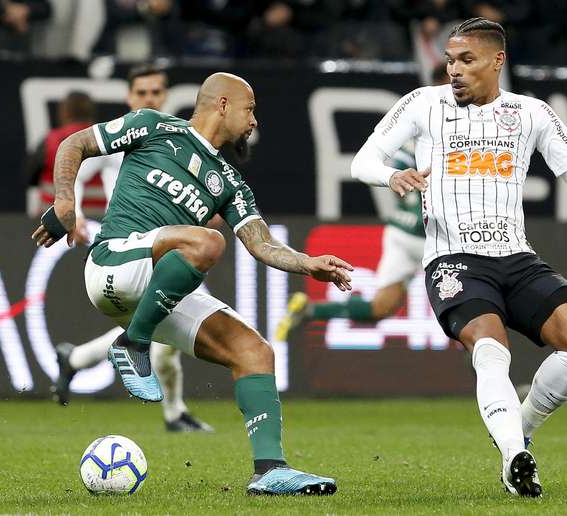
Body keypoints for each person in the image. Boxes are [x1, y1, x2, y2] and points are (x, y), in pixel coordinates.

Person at [350, 17, 567, 497]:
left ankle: (519, 432)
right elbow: (363, 160)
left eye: (466, 60)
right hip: (453, 258)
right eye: (450, 60)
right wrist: (389, 176)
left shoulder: (531, 113)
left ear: (497, 60)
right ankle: (515, 457)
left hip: (516, 257)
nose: (453, 70)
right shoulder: (422, 104)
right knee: (491, 348)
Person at [32, 72, 352, 495]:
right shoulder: (153, 125)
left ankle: (270, 469)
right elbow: (76, 144)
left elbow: (261, 244)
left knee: (254, 352)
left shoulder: (231, 183)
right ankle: (133, 344)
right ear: (223, 104)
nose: (254, 121)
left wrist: (306, 263)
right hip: (113, 263)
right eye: (250, 109)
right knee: (206, 241)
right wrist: (66, 202)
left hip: (153, 285)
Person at [53, 64, 213, 434]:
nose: (149, 99)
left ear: (165, 96)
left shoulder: (179, 140)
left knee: (160, 328)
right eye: (141, 93)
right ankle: (175, 414)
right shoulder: (123, 135)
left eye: (155, 92)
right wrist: (71, 208)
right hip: (128, 248)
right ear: (129, 97)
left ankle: (75, 359)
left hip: (168, 248)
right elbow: (77, 160)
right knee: (165, 325)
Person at [276, 66, 449, 338]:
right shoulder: (449, 125)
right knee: (472, 306)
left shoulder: (416, 121)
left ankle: (311, 310)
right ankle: (488, 372)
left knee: (380, 308)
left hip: (403, 231)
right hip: (436, 235)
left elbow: (398, 177)